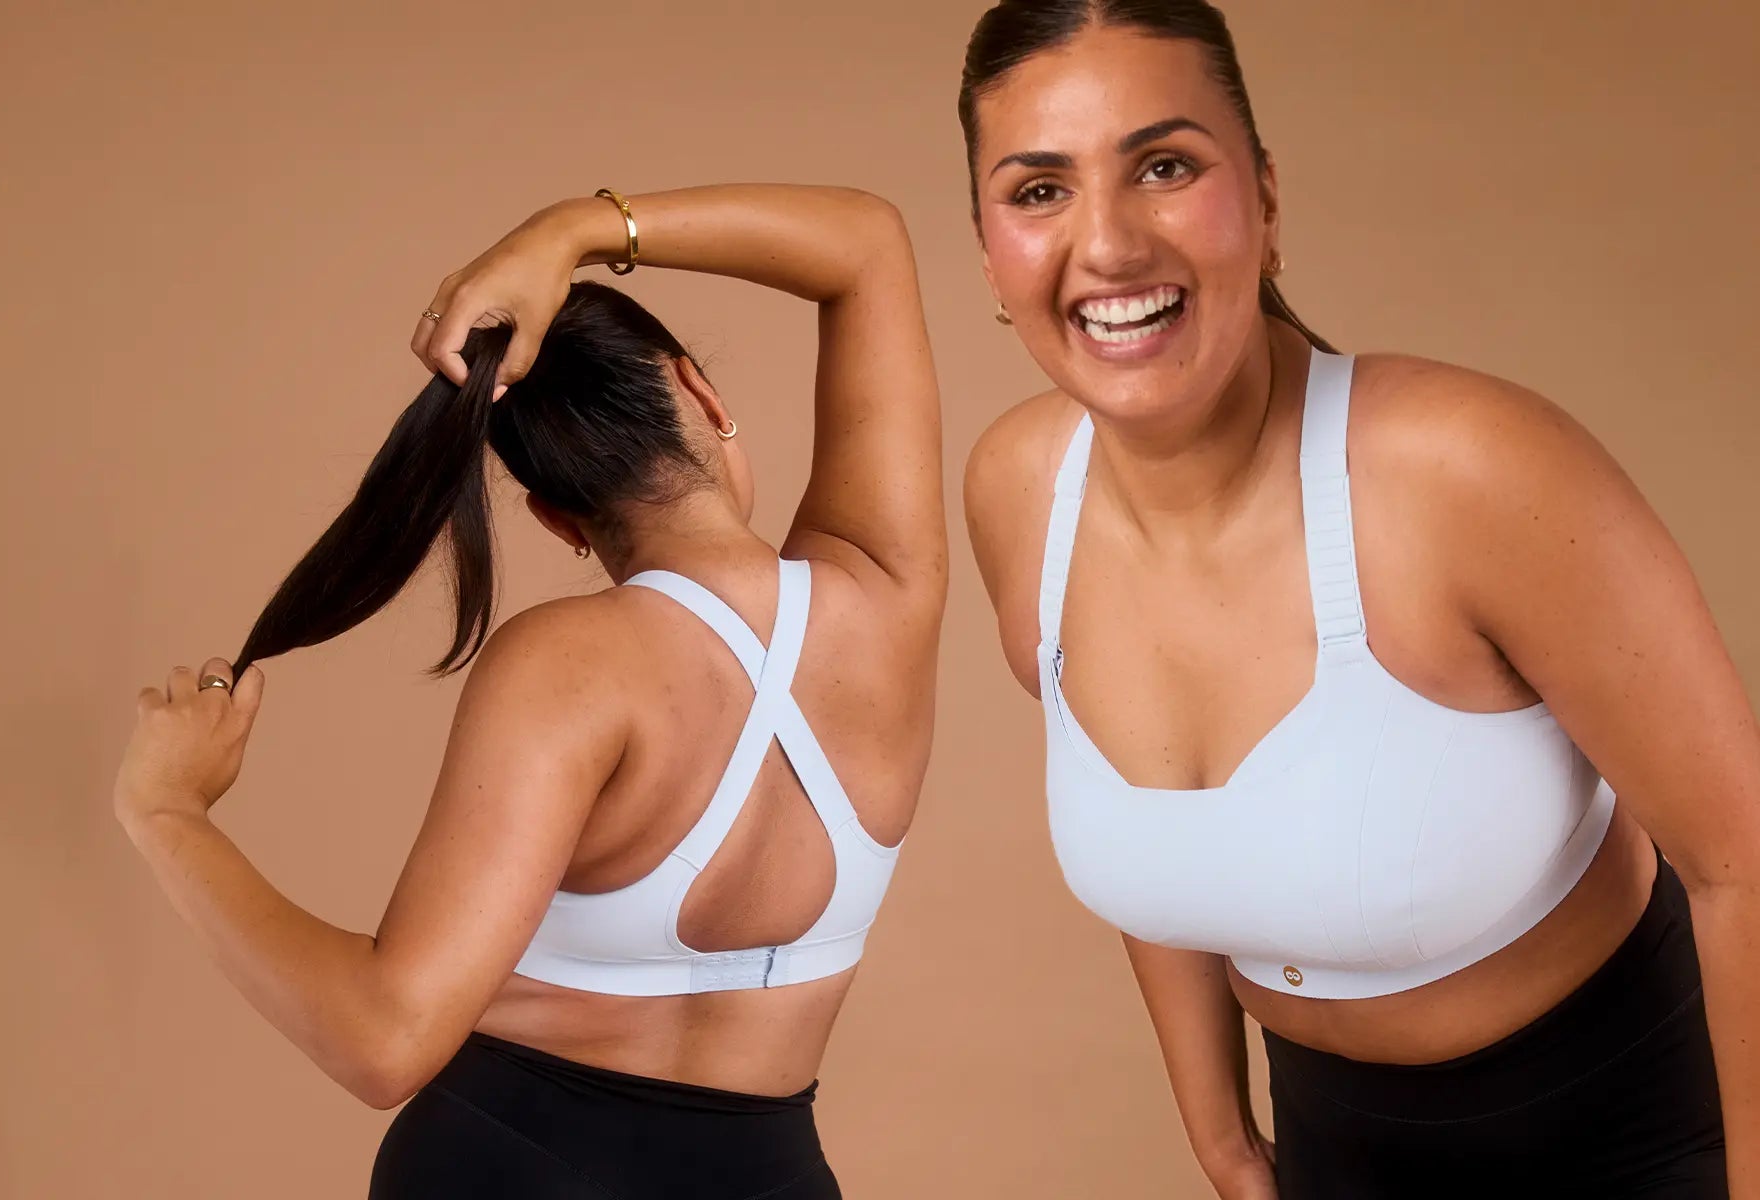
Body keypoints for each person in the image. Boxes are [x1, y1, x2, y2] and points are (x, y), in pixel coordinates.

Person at [958, 2, 1751, 1197]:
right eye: (1038, 190)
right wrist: (1223, 1141)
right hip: (1335, 1153)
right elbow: (1165, 851)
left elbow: (1739, 858)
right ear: (986, 252)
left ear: (1267, 204)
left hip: (1638, 1133)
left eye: (1164, 166)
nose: (1109, 245)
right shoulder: (1020, 490)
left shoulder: (1465, 471)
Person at [111, 183, 944, 1199]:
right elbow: (865, 245)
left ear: (558, 519)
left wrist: (166, 810)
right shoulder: (887, 596)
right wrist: (578, 232)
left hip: (511, 1166)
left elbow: (385, 1040)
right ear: (704, 396)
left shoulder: (568, 662)